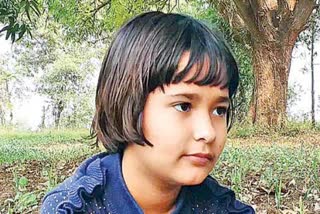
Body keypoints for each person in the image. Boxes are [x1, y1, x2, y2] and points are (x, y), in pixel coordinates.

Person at [41, 11, 255, 214]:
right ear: (127, 104)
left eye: (219, 110)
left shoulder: (222, 208)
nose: (207, 132)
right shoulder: (73, 207)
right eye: (184, 106)